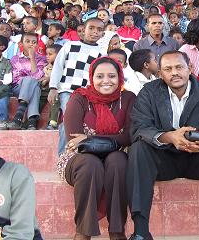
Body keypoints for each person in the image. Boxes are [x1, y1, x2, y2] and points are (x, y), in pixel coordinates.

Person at [127, 50, 199, 240]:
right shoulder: (149, 92)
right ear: (160, 74)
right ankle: (140, 230)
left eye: (179, 67)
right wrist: (170, 137)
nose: (174, 73)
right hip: (164, 159)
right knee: (138, 149)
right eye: (168, 69)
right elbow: (139, 127)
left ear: (190, 68)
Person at [56, 57, 135, 240]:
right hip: (78, 159)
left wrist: (91, 138)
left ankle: (117, 231)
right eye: (99, 76)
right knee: (91, 164)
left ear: (120, 77)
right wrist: (115, 140)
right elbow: (74, 141)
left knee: (117, 162)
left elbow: (130, 135)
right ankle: (83, 232)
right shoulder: (79, 98)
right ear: (92, 77)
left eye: (111, 76)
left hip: (116, 157)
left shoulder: (129, 98)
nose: (106, 81)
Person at [48, 17, 106, 154]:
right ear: (83, 30)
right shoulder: (69, 45)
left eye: (99, 30)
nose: (95, 32)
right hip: (67, 90)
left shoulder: (101, 53)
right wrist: (53, 87)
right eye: (91, 28)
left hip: (88, 94)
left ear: (103, 33)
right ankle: (64, 156)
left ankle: (69, 156)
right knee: (70, 119)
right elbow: (58, 67)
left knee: (70, 124)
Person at [0, 33, 47, 130]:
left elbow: (38, 76)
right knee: (31, 82)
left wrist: (33, 59)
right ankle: (30, 122)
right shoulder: (15, 59)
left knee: (35, 88)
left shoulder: (42, 59)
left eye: (34, 42)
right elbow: (16, 78)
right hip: (18, 88)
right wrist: (30, 77)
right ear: (21, 44)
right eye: (27, 41)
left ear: (37, 45)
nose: (31, 44)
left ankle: (22, 120)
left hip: (33, 88)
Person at [39, 44, 62, 130]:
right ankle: (32, 121)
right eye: (46, 54)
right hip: (46, 90)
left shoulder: (63, 67)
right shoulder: (47, 67)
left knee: (55, 100)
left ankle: (52, 122)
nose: (47, 56)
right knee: (38, 99)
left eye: (50, 54)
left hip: (57, 90)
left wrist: (50, 78)